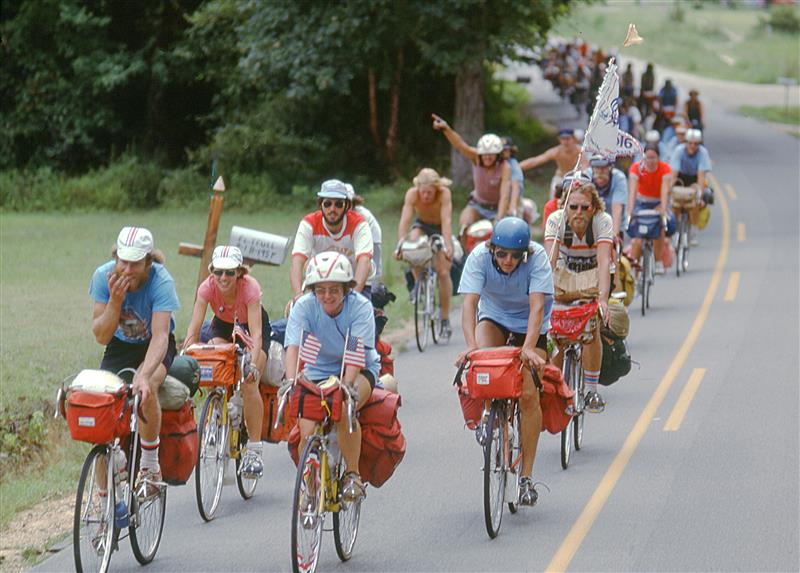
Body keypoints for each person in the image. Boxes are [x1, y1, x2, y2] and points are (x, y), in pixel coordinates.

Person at [457, 217, 554, 507]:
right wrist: (471, 348)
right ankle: (492, 420)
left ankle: (525, 478)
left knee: (527, 394)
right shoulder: (478, 257)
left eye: (515, 255)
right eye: (501, 254)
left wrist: (528, 348)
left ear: (525, 254)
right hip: (495, 316)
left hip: (530, 324)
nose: (508, 260)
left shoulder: (537, 260)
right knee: (483, 365)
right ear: (492, 249)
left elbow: (537, 308)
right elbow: (470, 305)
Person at [89, 226, 180, 495]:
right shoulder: (102, 277)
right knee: (103, 404)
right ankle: (104, 503)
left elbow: (161, 337)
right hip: (119, 345)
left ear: (148, 262)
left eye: (135, 263)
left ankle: (150, 466)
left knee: (146, 387)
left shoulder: (161, 281)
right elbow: (102, 336)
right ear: (116, 258)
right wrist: (115, 303)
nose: (127, 270)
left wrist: (143, 374)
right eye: (123, 262)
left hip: (154, 343)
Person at [284, 252, 379, 502]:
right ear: (312, 289)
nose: (327, 295)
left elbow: (355, 351)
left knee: (345, 406)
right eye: (321, 289)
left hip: (357, 369)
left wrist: (346, 385)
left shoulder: (360, 307)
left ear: (346, 289)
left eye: (334, 289)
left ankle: (352, 474)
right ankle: (311, 486)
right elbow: (292, 346)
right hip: (317, 371)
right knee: (306, 430)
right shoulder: (303, 306)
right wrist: (291, 380)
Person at [183, 246, 268, 478]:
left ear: (240, 272)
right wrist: (187, 351)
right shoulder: (206, 288)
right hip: (223, 324)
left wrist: (252, 362)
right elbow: (195, 324)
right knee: (214, 364)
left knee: (250, 381)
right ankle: (217, 415)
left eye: (230, 273)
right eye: (218, 272)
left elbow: (257, 334)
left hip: (250, 327)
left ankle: (254, 450)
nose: (223, 278)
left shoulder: (250, 288)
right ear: (212, 272)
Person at [543, 182, 613, 411]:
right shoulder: (556, 220)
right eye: (573, 207)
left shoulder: (602, 221)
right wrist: (542, 301)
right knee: (555, 331)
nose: (579, 213)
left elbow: (604, 262)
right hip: (564, 279)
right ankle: (555, 385)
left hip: (593, 279)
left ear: (593, 208)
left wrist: (602, 299)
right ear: (565, 206)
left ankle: (592, 391)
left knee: (591, 327)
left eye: (585, 207)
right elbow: (549, 262)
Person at [288, 179, 374, 314]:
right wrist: (298, 295)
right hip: (321, 283)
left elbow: (364, 261)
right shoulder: (309, 223)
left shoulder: (359, 224)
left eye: (338, 204)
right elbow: (297, 262)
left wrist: (353, 297)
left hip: (354, 283)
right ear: (320, 205)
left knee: (363, 318)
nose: (332, 209)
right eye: (327, 204)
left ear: (347, 206)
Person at [396, 167, 454, 339]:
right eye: (423, 192)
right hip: (421, 226)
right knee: (413, 243)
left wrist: (448, 245)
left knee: (443, 272)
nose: (426, 196)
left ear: (437, 189)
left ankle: (444, 317)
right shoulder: (412, 194)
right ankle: (417, 282)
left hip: (438, 227)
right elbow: (405, 220)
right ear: (418, 189)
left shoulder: (444, 194)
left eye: (430, 192)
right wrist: (401, 245)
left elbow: (446, 221)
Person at [431, 113, 512, 230]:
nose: (487, 158)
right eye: (484, 155)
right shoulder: (476, 158)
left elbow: (504, 195)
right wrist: (446, 129)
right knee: (464, 227)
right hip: (477, 204)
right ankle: (465, 248)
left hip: (497, 207)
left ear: (498, 155)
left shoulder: (505, 167)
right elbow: (460, 145)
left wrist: (499, 219)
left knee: (500, 233)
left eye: (491, 155)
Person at [628, 144, 672, 273]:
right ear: (643, 158)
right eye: (648, 158)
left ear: (658, 158)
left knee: (660, 229)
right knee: (637, 237)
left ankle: (658, 261)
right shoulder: (636, 168)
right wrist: (630, 212)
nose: (651, 161)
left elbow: (665, 191)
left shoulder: (665, 169)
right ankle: (634, 267)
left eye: (654, 158)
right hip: (641, 202)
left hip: (658, 202)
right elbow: (632, 192)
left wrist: (662, 209)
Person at [669, 129, 712, 245]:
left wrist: (700, 195)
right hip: (680, 178)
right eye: (690, 143)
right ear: (685, 142)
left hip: (694, 179)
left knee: (695, 204)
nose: (692, 146)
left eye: (695, 144)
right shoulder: (679, 151)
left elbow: (701, 176)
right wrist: (670, 192)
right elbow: (674, 174)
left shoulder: (703, 153)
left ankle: (693, 231)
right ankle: (674, 230)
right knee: (674, 205)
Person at [519, 127, 584, 198]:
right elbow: (535, 161)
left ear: (573, 139)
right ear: (559, 139)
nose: (566, 142)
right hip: (560, 178)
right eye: (563, 139)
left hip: (575, 179)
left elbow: (586, 166)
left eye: (568, 138)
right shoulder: (556, 151)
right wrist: (517, 167)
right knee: (554, 199)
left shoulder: (580, 151)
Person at [345, 183, 383, 286]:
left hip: (372, 239)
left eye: (348, 203)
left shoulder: (363, 216)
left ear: (353, 202)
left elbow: (371, 254)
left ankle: (373, 290)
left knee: (371, 271)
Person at [586, 155, 627, 237]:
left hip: (615, 222)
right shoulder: (586, 176)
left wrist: (615, 235)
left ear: (610, 168)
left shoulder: (619, 178)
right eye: (597, 167)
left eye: (604, 168)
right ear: (592, 168)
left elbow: (617, 208)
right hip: (592, 221)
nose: (600, 172)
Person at [501, 136, 526, 217]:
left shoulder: (513, 164)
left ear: (511, 151)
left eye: (506, 150)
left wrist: (513, 207)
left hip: (513, 199)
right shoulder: (497, 164)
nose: (503, 152)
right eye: (501, 150)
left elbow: (516, 186)